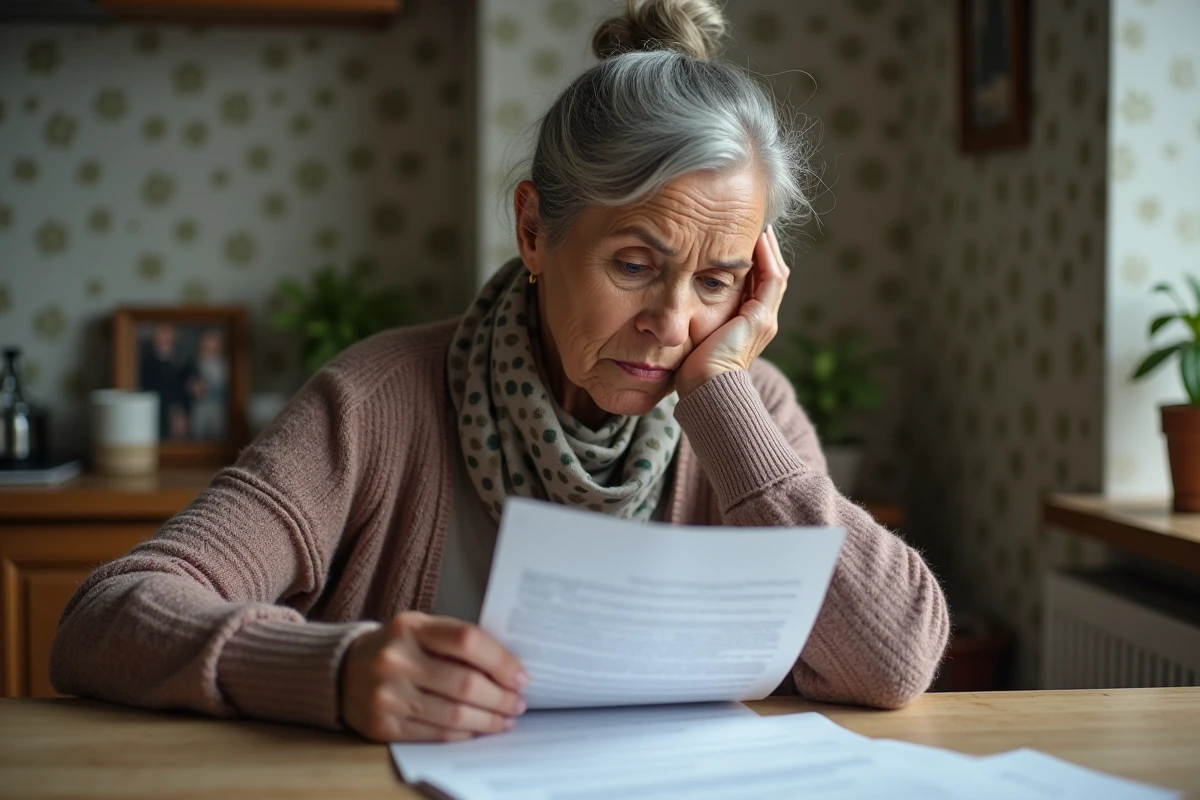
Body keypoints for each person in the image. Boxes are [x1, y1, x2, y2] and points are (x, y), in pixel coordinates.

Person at [51, 0, 949, 744]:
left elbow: (895, 658)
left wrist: (721, 397)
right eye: (634, 264)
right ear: (534, 231)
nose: (674, 324)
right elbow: (108, 616)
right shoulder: (376, 404)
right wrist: (330, 669)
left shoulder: (745, 412)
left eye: (716, 281)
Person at [138, 323, 198, 441]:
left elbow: (192, 379)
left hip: (178, 405)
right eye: (161, 333)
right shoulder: (146, 360)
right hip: (155, 406)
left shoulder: (183, 358)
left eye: (167, 333)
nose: (164, 338)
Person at [190, 328, 228, 441]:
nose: (210, 352)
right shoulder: (195, 364)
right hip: (200, 408)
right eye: (207, 349)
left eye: (213, 349)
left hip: (219, 409)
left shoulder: (225, 365)